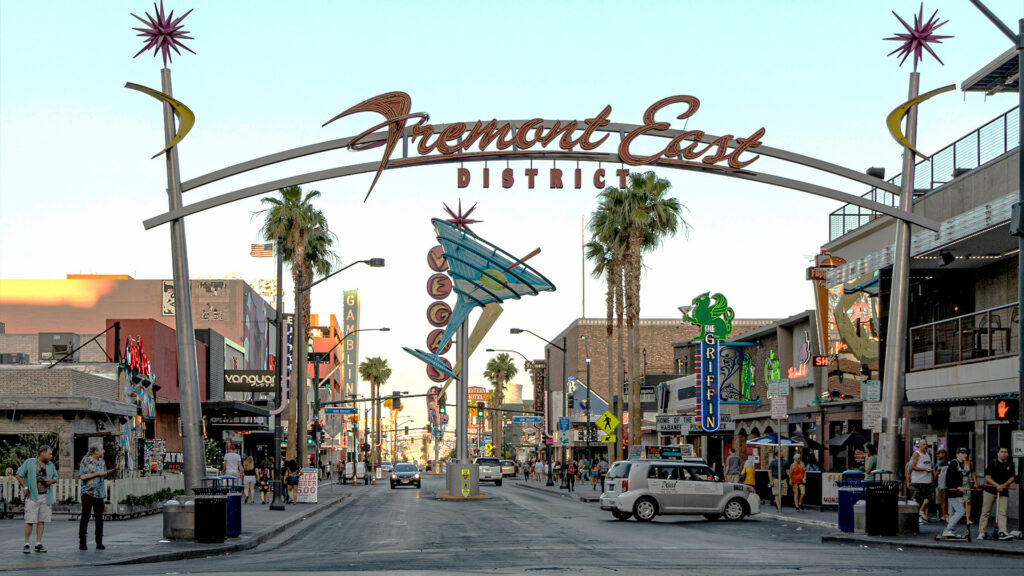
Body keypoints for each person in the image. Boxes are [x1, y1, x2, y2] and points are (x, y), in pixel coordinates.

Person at [15, 445, 58, 554]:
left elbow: (56, 478)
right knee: (30, 520)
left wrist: (50, 481)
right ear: (42, 453)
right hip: (32, 495)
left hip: (45, 495)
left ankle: (38, 543)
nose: (51, 456)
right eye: (50, 453)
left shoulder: (50, 465)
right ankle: (26, 543)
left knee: (41, 520)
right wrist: (25, 487)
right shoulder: (30, 462)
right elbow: (19, 475)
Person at [977, 446, 1017, 541]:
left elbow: (1012, 477)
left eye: (1005, 452)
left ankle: (1002, 531)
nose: (1003, 453)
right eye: (1002, 451)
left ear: (1008, 453)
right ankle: (982, 532)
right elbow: (988, 477)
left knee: (1002, 512)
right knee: (986, 511)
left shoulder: (1010, 464)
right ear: (998, 453)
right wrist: (997, 485)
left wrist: (1003, 485)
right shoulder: (992, 463)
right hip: (990, 490)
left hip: (1003, 491)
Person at [78, 445, 112, 550]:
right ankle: (82, 542)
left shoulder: (102, 461)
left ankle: (99, 542)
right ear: (96, 451)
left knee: (99, 518)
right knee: (85, 517)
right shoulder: (86, 460)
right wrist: (97, 474)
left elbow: (104, 473)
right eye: (101, 449)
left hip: (100, 493)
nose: (103, 451)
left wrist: (106, 473)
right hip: (88, 492)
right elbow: (82, 476)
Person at [941, 447, 970, 538]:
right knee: (960, 511)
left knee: (953, 513)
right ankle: (948, 529)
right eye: (962, 453)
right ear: (957, 454)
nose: (965, 455)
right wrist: (957, 487)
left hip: (958, 492)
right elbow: (949, 479)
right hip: (953, 492)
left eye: (965, 453)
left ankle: (951, 530)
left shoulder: (961, 464)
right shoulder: (954, 463)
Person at [908, 438, 933, 523]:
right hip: (917, 480)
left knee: (929, 497)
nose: (925, 446)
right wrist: (924, 470)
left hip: (927, 480)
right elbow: (912, 467)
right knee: (916, 498)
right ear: (920, 445)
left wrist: (932, 478)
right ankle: (916, 515)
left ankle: (921, 511)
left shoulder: (927, 454)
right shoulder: (916, 454)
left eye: (926, 444)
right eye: (923, 444)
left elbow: (930, 466)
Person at [933, 449, 948, 522]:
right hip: (943, 483)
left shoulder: (942, 462)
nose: (937, 455)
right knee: (943, 501)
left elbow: (938, 473)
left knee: (942, 501)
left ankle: (945, 515)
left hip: (941, 484)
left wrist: (933, 479)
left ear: (943, 454)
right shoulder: (944, 462)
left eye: (939, 454)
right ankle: (944, 515)